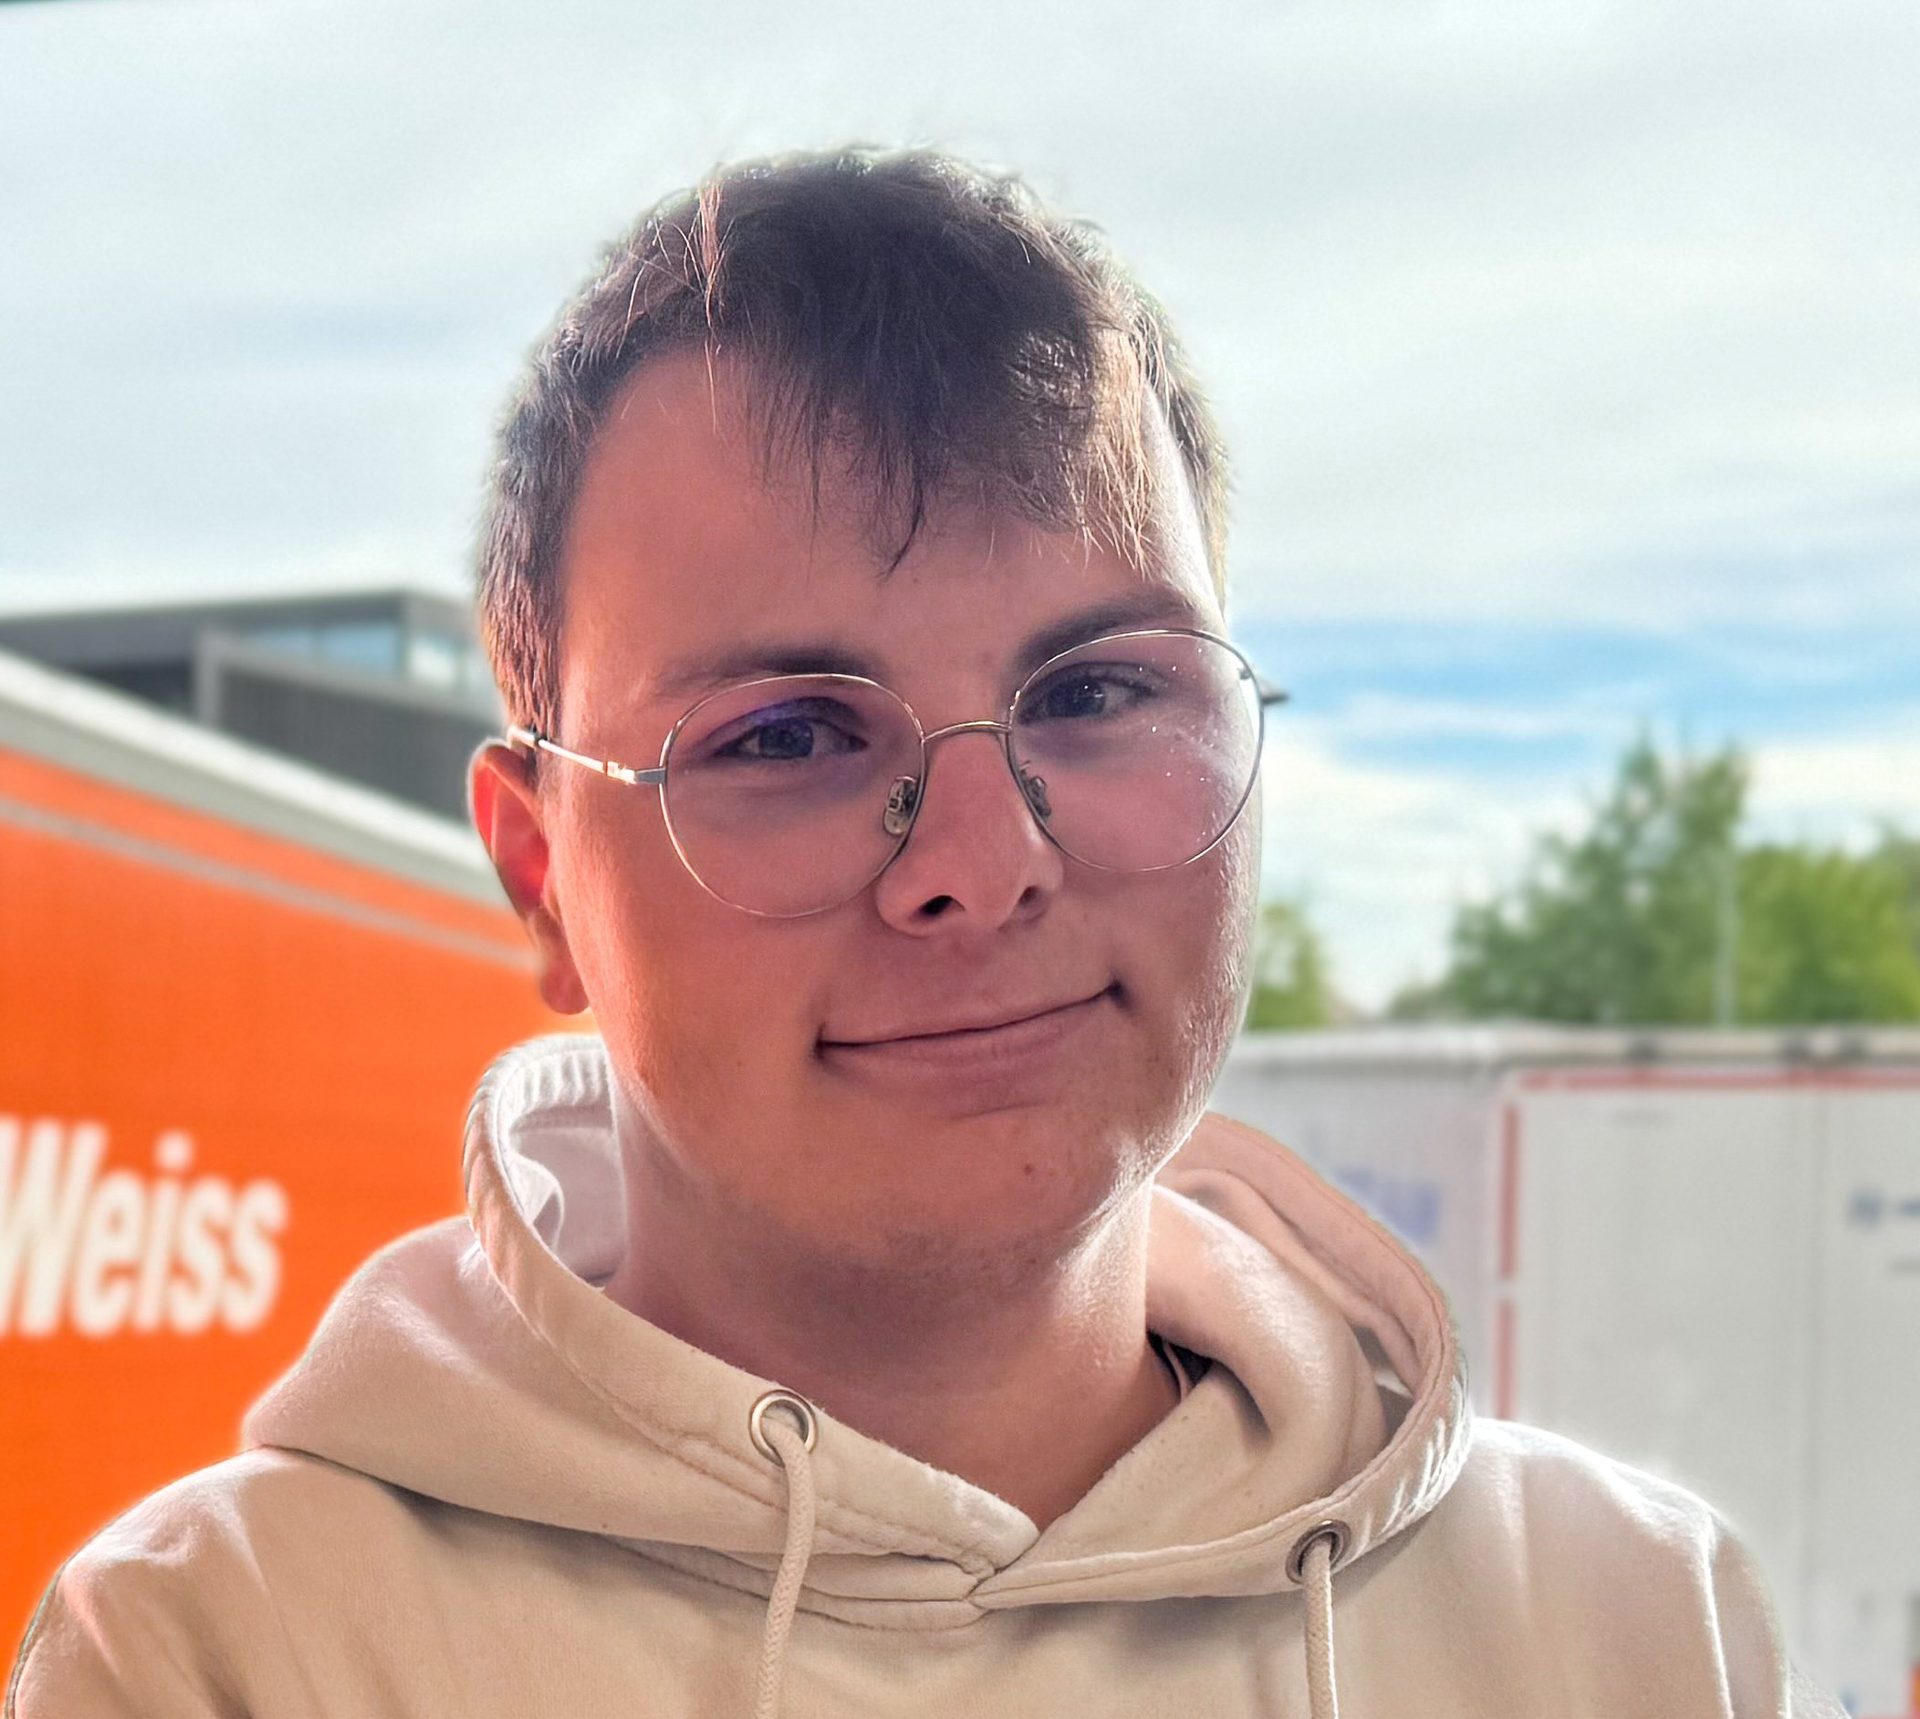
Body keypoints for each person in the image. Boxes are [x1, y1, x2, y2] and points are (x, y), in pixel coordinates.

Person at [9, 147, 1840, 1719]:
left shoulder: (1633, 1629)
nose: (981, 859)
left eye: (1101, 688)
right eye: (788, 735)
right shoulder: (214, 1658)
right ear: (540, 872)